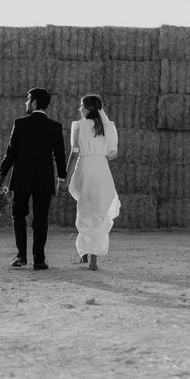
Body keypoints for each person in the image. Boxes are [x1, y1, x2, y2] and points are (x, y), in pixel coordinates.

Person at [0, 88, 66, 270]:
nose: (26, 103)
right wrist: (62, 179)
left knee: (18, 215)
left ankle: (21, 257)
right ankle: (39, 260)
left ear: (34, 103)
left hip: (22, 178)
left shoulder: (19, 124)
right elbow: (60, 156)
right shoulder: (55, 127)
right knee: (40, 219)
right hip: (44, 179)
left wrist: (0, 177)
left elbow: (10, 154)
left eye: (28, 99)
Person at [62, 95, 120, 271]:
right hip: (101, 168)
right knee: (99, 211)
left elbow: (74, 154)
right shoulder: (108, 126)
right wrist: (99, 157)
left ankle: (85, 251)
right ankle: (94, 256)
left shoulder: (78, 126)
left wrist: (65, 179)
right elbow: (114, 153)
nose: (79, 109)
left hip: (85, 168)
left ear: (86, 108)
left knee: (85, 210)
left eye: (81, 106)